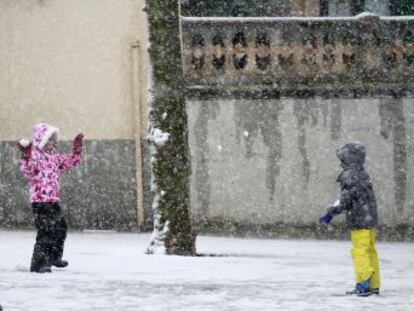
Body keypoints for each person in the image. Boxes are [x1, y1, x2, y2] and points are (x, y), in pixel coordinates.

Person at [17, 123, 84, 273]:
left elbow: (72, 161)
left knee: (60, 228)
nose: (53, 143)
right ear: (42, 140)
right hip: (40, 201)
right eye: (49, 140)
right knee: (46, 231)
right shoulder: (34, 155)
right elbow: (27, 171)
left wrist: (77, 148)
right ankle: (38, 264)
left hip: (53, 200)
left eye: (54, 140)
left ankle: (54, 257)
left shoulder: (54, 157)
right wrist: (27, 154)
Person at [319, 142, 380, 296]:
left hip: (359, 221)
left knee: (359, 252)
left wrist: (331, 212)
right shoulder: (362, 174)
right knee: (370, 252)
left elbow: (346, 198)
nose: (341, 162)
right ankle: (374, 284)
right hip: (370, 221)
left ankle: (364, 283)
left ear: (349, 158)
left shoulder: (350, 175)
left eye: (342, 158)